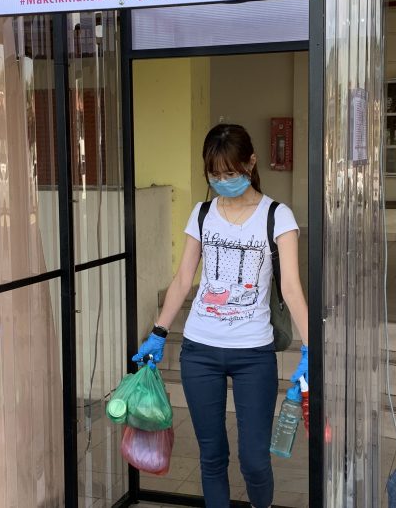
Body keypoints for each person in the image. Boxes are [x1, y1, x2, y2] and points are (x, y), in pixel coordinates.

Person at [132, 123, 309, 508]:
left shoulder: (277, 216)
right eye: (215, 175)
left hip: (254, 353)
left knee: (254, 460)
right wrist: (159, 332)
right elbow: (183, 279)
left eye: (231, 173)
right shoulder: (202, 213)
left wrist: (311, 349)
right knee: (212, 457)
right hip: (200, 351)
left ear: (251, 163)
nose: (223, 182)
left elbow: (292, 288)